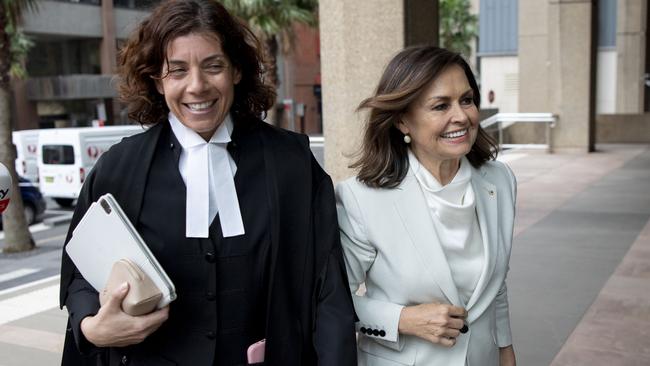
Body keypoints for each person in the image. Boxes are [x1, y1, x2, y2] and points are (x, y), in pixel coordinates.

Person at [59, 1, 357, 365]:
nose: (196, 86)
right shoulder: (118, 170)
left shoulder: (291, 164)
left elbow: (329, 295)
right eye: (178, 71)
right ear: (156, 80)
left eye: (213, 66)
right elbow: (81, 274)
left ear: (235, 71)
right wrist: (92, 328)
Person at [336, 46, 517, 366]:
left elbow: (495, 285)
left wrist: (505, 351)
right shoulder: (360, 198)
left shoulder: (500, 180)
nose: (461, 116)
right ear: (404, 121)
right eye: (440, 106)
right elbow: (332, 302)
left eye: (466, 100)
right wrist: (403, 319)